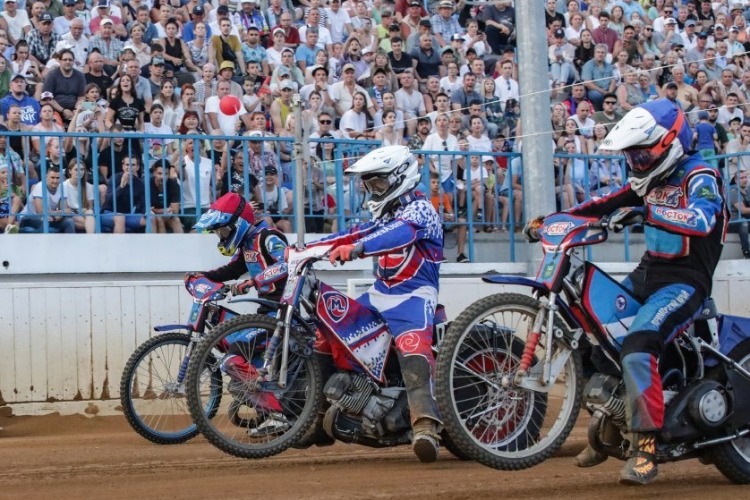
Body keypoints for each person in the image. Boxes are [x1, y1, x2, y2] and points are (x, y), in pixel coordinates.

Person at [538, 99, 727, 485]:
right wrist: (552, 221)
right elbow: (602, 204)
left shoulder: (700, 173)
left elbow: (703, 217)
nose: (638, 160)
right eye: (632, 154)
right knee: (594, 334)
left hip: (686, 280)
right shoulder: (648, 179)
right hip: (648, 272)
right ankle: (610, 430)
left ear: (671, 141)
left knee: (638, 346)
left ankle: (645, 446)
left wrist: (649, 213)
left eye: (643, 153)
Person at [303, 145, 444, 463]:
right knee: (327, 332)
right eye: (370, 185)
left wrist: (358, 248)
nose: (374, 190)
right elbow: (351, 233)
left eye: (379, 183)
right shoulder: (386, 215)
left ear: (400, 177)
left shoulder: (420, 210)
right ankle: (317, 417)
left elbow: (398, 234)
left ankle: (425, 426)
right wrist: (301, 250)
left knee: (412, 345)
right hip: (381, 294)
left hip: (414, 296)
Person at [189, 192, 289, 424]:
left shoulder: (269, 236)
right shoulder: (248, 243)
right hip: (267, 312)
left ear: (238, 224)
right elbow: (233, 270)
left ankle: (277, 413)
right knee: (245, 354)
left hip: (285, 313)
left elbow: (287, 264)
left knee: (234, 356)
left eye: (223, 231)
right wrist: (203, 276)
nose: (221, 236)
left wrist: (253, 282)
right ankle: (267, 414)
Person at [728, 166, 750, 258]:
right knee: (743, 223)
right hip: (733, 222)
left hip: (745, 219)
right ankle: (746, 252)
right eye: (741, 178)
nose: (744, 180)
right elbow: (743, 210)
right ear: (736, 181)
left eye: (745, 177)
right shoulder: (733, 191)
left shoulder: (748, 190)